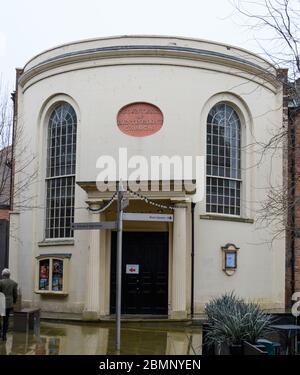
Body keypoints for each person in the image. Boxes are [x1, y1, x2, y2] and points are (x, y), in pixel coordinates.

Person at [0, 269, 18, 341]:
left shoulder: (0, 282)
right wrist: (14, 302)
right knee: (6, 319)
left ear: (3, 275)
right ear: (9, 275)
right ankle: (4, 335)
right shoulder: (14, 283)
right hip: (9, 304)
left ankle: (0, 332)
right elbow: (15, 294)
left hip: (1, 303)